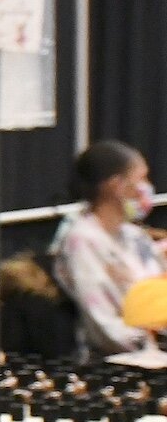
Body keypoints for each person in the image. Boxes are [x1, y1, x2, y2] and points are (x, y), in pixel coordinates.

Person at [51, 141, 164, 357]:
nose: (148, 187)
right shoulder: (82, 241)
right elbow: (103, 325)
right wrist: (150, 341)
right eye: (141, 179)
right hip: (121, 360)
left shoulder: (134, 236)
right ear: (116, 185)